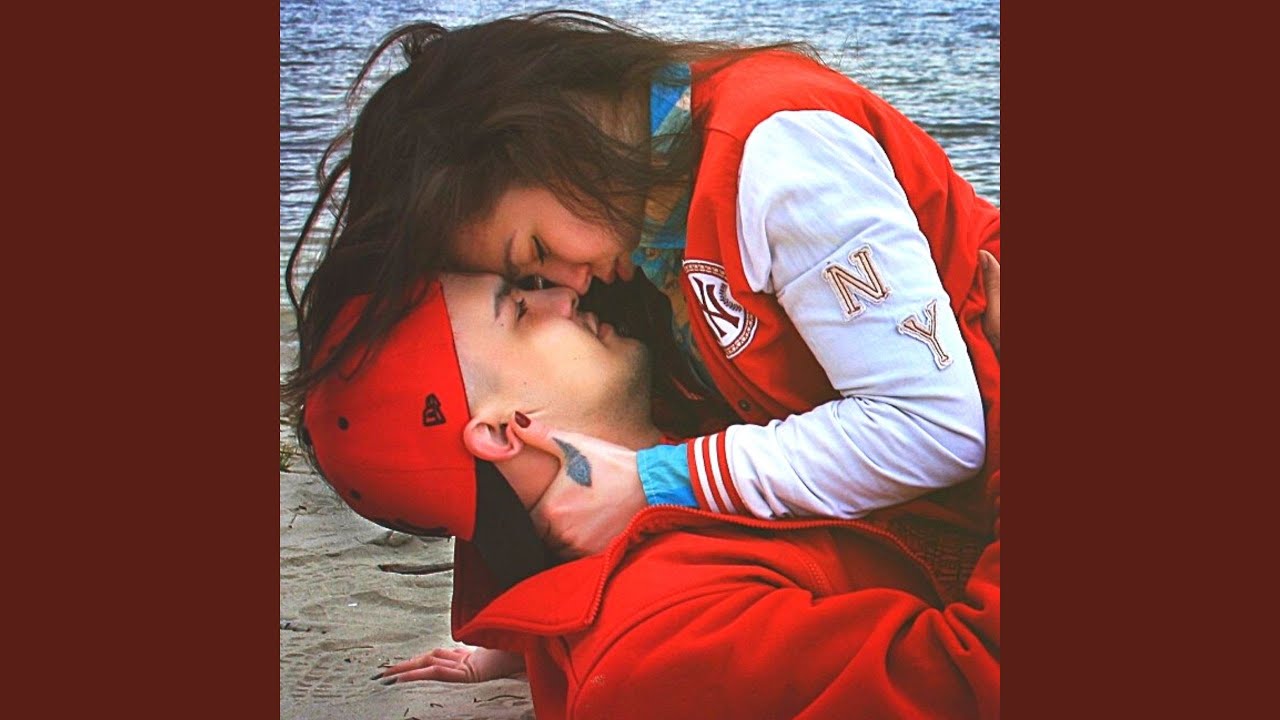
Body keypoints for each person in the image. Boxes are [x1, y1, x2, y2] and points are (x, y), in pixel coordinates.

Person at [283, 10, 1001, 558]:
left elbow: (933, 430)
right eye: (530, 277)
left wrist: (658, 482)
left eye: (536, 250)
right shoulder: (650, 232)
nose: (564, 287)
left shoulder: (777, 155)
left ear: (548, 141)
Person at [299, 258, 1001, 719]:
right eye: (519, 308)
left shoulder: (700, 428)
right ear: (501, 431)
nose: (563, 293)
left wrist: (518, 649)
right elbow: (980, 679)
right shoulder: (655, 648)